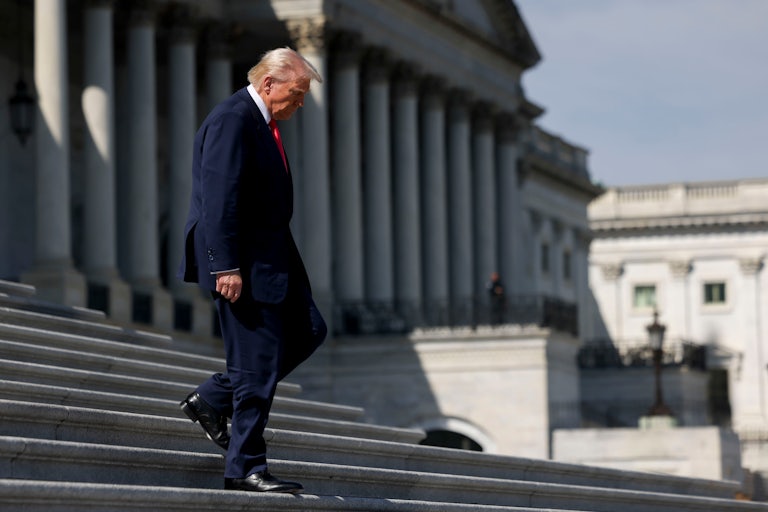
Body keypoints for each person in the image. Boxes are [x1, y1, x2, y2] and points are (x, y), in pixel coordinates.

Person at [177, 47, 327, 494]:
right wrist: (225, 265)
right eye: (297, 94)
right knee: (255, 367)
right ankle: (244, 468)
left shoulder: (262, 123)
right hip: (244, 263)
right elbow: (219, 198)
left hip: (275, 256)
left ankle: (214, 396)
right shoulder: (234, 118)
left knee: (309, 330)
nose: (300, 104)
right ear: (268, 84)